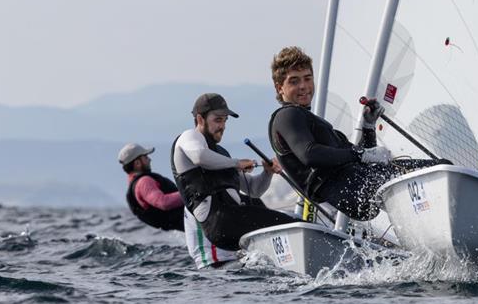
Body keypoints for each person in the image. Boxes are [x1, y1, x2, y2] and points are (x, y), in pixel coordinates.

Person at [268, 46, 445, 221]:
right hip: (348, 187)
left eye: (308, 78)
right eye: (294, 81)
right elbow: (309, 154)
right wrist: (360, 155)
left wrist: (368, 127)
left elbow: (356, 156)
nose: (303, 86)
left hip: (356, 183)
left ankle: (430, 230)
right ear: (279, 88)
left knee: (436, 171)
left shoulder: (306, 119)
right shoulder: (287, 115)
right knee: (441, 170)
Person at [171, 93, 295, 251]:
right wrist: (236, 163)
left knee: (287, 222)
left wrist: (267, 172)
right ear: (200, 119)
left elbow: (255, 189)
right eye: (217, 120)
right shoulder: (188, 137)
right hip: (219, 221)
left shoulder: (220, 155)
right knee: (290, 225)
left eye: (225, 120)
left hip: (233, 220)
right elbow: (199, 156)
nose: (222, 126)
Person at [119, 143, 184, 231]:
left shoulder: (136, 183)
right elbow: (163, 202)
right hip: (189, 222)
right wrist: (191, 193)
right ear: (137, 163)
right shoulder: (144, 182)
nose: (149, 160)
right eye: (145, 157)